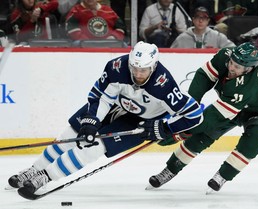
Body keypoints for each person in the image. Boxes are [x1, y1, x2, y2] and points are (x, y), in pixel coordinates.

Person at [8, 41, 204, 194]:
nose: (137, 73)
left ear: (153, 67)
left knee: (93, 147)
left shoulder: (164, 85)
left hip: (141, 122)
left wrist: (163, 128)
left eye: (143, 70)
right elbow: (99, 96)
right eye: (134, 68)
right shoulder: (116, 66)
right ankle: (34, 169)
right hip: (113, 105)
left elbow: (195, 115)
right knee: (72, 134)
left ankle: (46, 177)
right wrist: (93, 120)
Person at [146, 42, 258, 193]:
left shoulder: (247, 86)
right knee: (201, 136)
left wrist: (178, 132)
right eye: (232, 62)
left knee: (254, 139)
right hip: (235, 106)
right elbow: (203, 76)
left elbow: (210, 119)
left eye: (237, 67)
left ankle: (223, 175)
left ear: (249, 69)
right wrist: (188, 109)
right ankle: (170, 169)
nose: (231, 68)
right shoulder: (225, 55)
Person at [171, 6, 235, 48]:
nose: (200, 21)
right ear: (193, 20)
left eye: (204, 18)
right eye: (198, 17)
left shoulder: (217, 37)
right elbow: (170, 55)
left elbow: (232, 49)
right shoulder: (182, 38)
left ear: (208, 21)